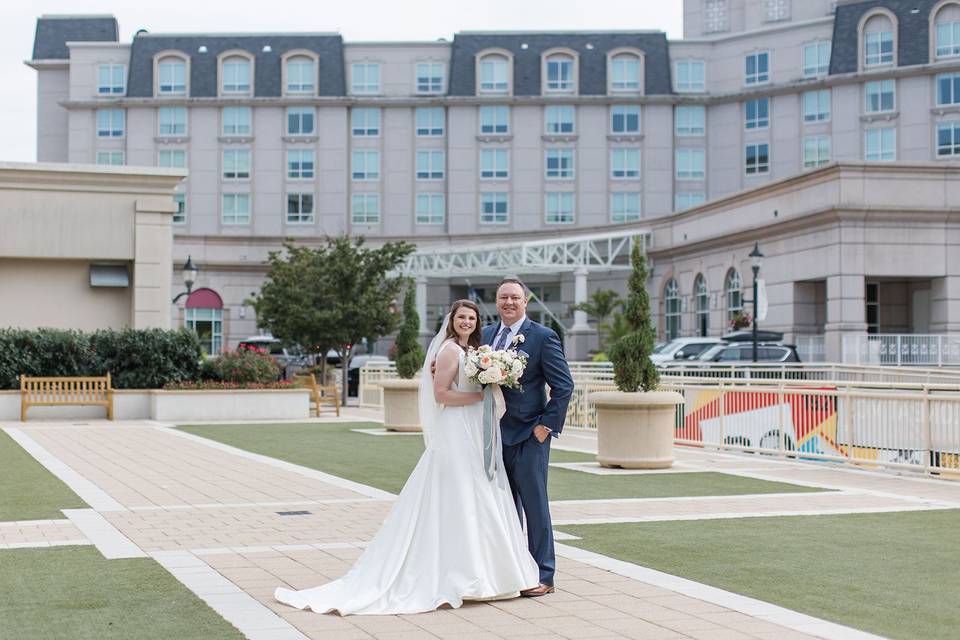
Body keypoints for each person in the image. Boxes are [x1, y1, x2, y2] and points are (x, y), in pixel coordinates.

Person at [274, 299, 539, 615]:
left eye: (471, 317)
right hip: (457, 429)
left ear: (477, 322)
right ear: (451, 320)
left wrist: (492, 383)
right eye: (461, 317)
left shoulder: (476, 351)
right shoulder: (450, 350)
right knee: (460, 492)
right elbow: (441, 394)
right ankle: (462, 574)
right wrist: (478, 396)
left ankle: (489, 573)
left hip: (476, 428)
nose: (467, 322)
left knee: (481, 490)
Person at [483, 278, 574, 596]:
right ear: (497, 302)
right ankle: (510, 572)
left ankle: (544, 575)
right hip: (493, 436)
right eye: (503, 297)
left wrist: (545, 427)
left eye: (515, 297)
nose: (509, 302)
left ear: (525, 302)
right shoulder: (486, 336)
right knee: (502, 508)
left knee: (535, 507)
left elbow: (564, 386)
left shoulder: (543, 336)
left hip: (529, 435)